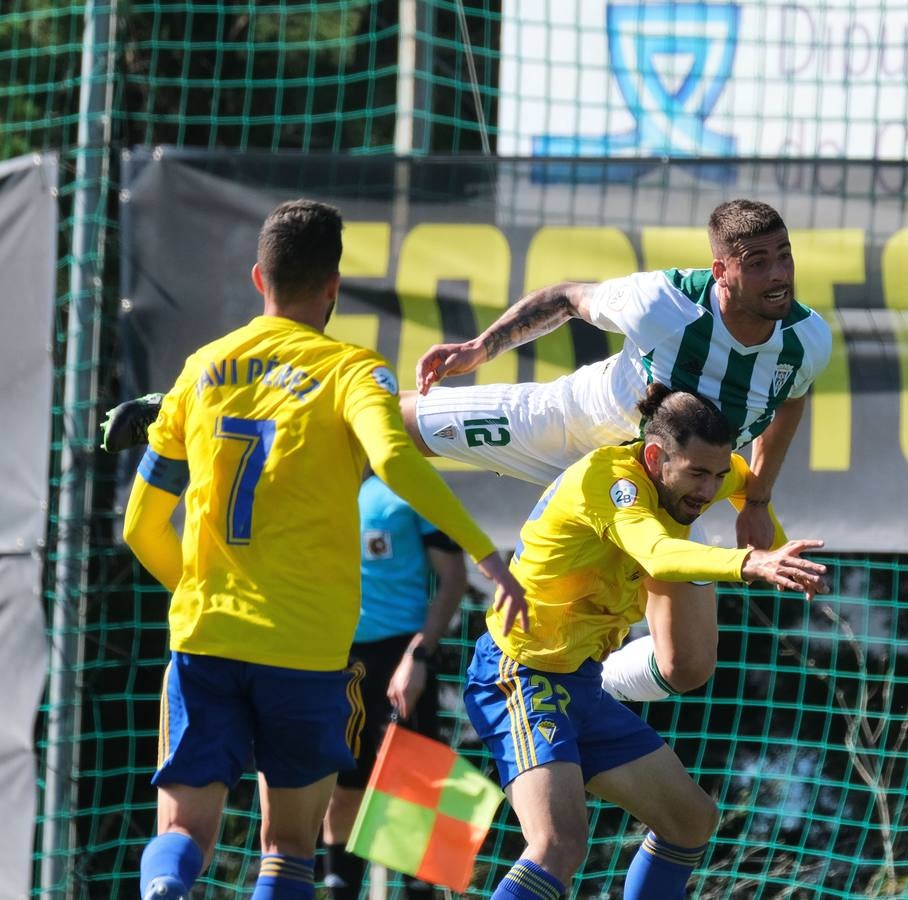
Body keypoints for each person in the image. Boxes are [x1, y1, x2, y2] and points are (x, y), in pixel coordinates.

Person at [103, 198, 831, 703]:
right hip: (564, 425)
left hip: (642, 492)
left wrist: (758, 497)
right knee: (385, 421)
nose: (779, 275)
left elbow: (792, 395)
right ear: (723, 268)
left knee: (688, 666)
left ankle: (591, 683)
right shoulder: (663, 302)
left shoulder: (807, 340)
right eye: (759, 262)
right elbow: (566, 295)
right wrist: (483, 346)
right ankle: (174, 406)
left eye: (785, 257)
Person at [120, 199, 526, 900]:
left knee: (184, 835)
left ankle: (164, 892)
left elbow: (139, 528)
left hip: (211, 638)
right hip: (309, 652)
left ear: (258, 278)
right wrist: (489, 556)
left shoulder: (200, 369)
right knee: (289, 852)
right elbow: (397, 462)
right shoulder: (353, 371)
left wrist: (200, 593)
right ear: (334, 286)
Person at [464, 384, 828, 900]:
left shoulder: (701, 475)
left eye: (716, 475)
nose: (708, 491)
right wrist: (752, 562)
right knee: (558, 845)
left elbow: (746, 481)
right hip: (519, 676)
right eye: (697, 475)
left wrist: (761, 513)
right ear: (655, 457)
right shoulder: (613, 483)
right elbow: (655, 554)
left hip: (580, 685)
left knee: (690, 820)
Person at [321, 475, 467, 900]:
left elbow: (453, 578)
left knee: (415, 796)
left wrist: (418, 656)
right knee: (343, 788)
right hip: (337, 660)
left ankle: (422, 890)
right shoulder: (325, 479)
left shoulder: (413, 485)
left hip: (401, 658)